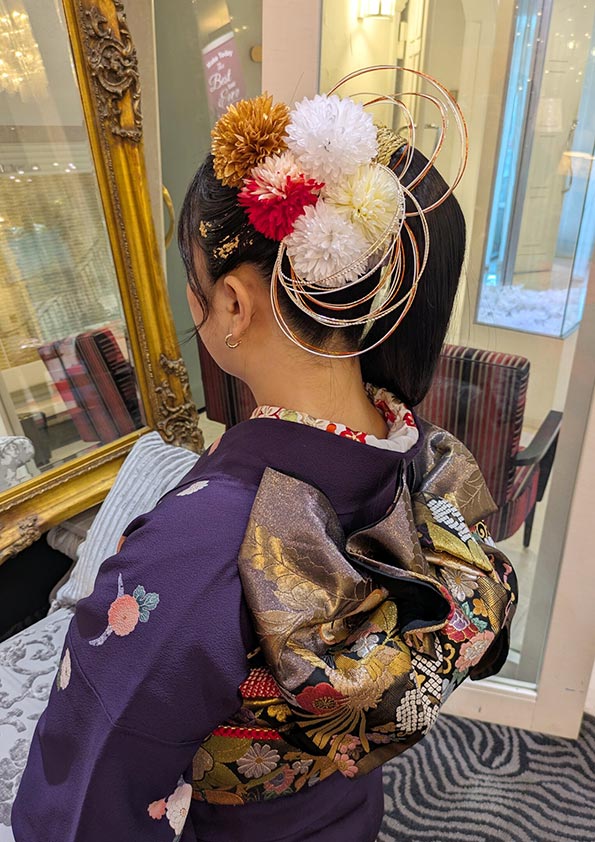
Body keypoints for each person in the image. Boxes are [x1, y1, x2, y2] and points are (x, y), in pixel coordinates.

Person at [12, 69, 516, 842]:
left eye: (192, 283)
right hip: (345, 813)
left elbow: (85, 804)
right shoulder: (418, 458)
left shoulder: (197, 553)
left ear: (233, 304)